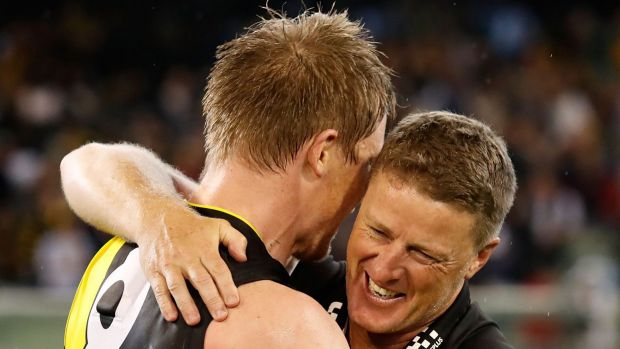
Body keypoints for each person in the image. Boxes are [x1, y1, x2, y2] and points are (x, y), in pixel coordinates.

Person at [62, 9, 395, 349]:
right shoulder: (290, 328)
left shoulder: (119, 248)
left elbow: (90, 161)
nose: (365, 187)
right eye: (366, 163)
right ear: (322, 153)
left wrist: (156, 214)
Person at [63, 110, 516, 348]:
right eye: (377, 231)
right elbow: (92, 163)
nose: (385, 268)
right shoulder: (297, 284)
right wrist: (160, 217)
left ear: (479, 257)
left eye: (423, 254)